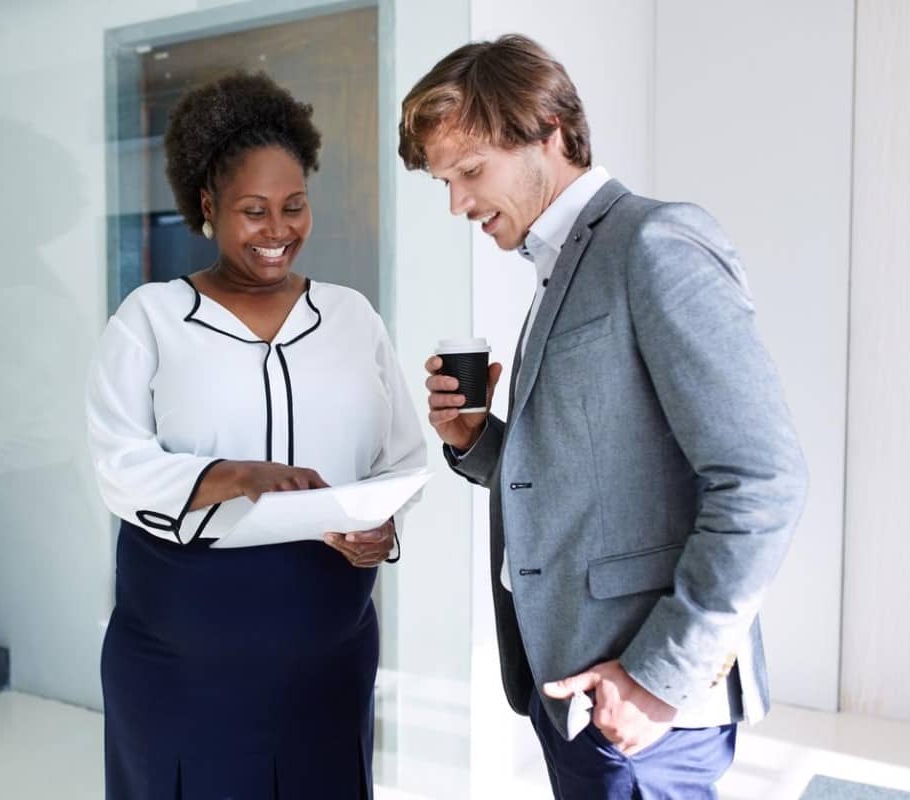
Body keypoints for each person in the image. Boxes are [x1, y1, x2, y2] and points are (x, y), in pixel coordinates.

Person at [401, 35, 808, 798]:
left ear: (548, 131)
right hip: (575, 691)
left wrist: (659, 679)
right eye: (443, 182)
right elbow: (594, 471)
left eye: (469, 171)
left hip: (642, 706)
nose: (457, 203)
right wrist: (477, 442)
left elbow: (764, 482)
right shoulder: (561, 266)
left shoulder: (655, 242)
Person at [86, 72, 426, 799]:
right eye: (254, 211)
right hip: (184, 648)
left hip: (328, 638)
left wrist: (379, 527)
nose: (279, 231)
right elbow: (118, 464)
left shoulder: (352, 318)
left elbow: (401, 455)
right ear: (207, 207)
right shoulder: (150, 318)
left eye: (294, 207)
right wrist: (234, 476)